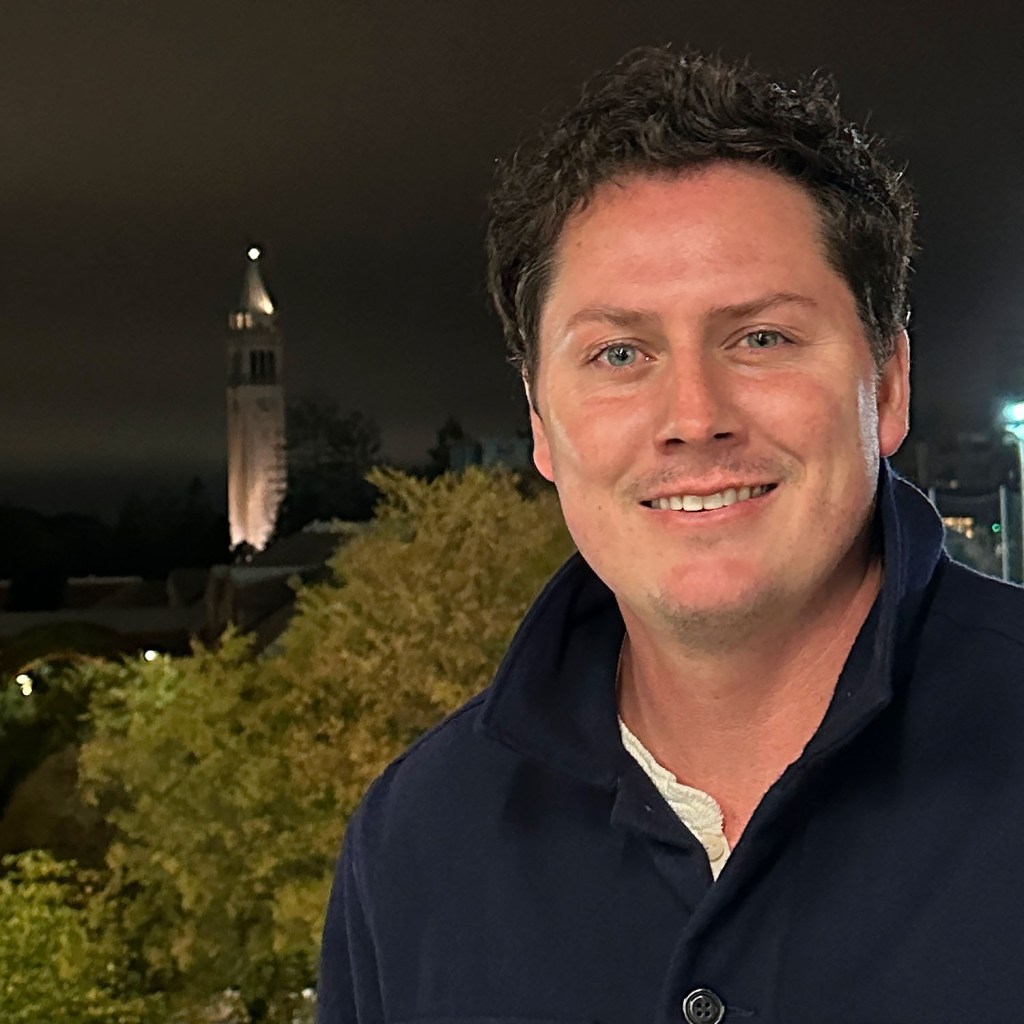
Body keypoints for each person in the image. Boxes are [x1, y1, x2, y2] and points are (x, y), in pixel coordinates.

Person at [318, 47, 1024, 1024]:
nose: (693, 414)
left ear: (889, 383)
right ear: (540, 423)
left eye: (762, 338)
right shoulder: (416, 840)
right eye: (618, 352)